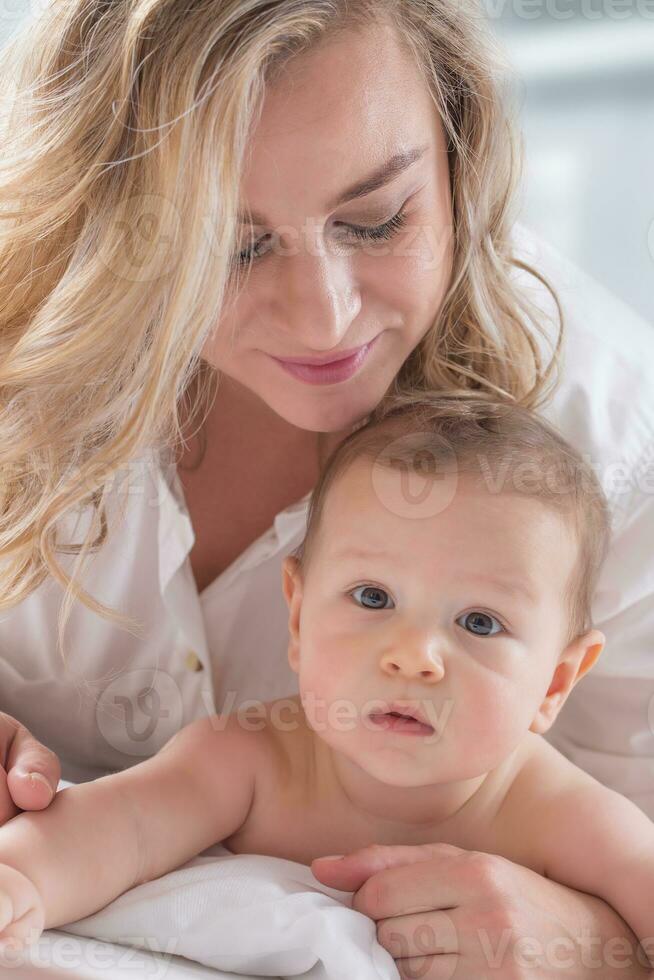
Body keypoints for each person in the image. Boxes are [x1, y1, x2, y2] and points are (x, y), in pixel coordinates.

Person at [0, 0, 653, 975]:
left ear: (457, 159)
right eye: (232, 246)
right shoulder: (26, 336)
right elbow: (101, 833)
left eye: (378, 218)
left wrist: (593, 947)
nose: (325, 316)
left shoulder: (611, 445)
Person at [0, 394, 653, 976]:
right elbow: (121, 826)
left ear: (555, 682)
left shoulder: (562, 818)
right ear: (298, 613)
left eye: (479, 622)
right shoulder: (253, 759)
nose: (414, 656)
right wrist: (21, 879)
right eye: (372, 597)